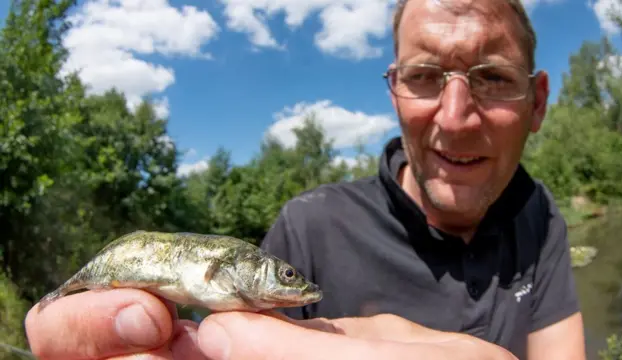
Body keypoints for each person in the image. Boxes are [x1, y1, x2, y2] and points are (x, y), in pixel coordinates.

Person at [23, 0, 586, 359]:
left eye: (490, 77)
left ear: (537, 103)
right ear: (394, 90)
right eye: (424, 76)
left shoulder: (538, 214)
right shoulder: (309, 223)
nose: (455, 116)